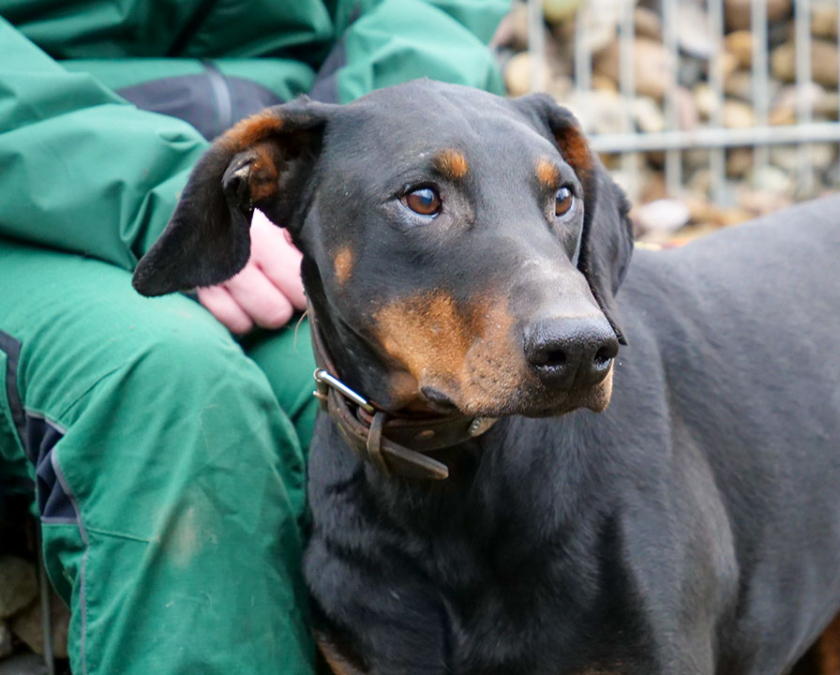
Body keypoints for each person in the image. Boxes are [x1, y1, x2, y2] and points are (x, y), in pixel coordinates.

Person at [0, 1, 509, 672]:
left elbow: (431, 14)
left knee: (399, 405)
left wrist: (349, 165)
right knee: (167, 387)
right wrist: (186, 195)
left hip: (286, 185)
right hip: (31, 197)